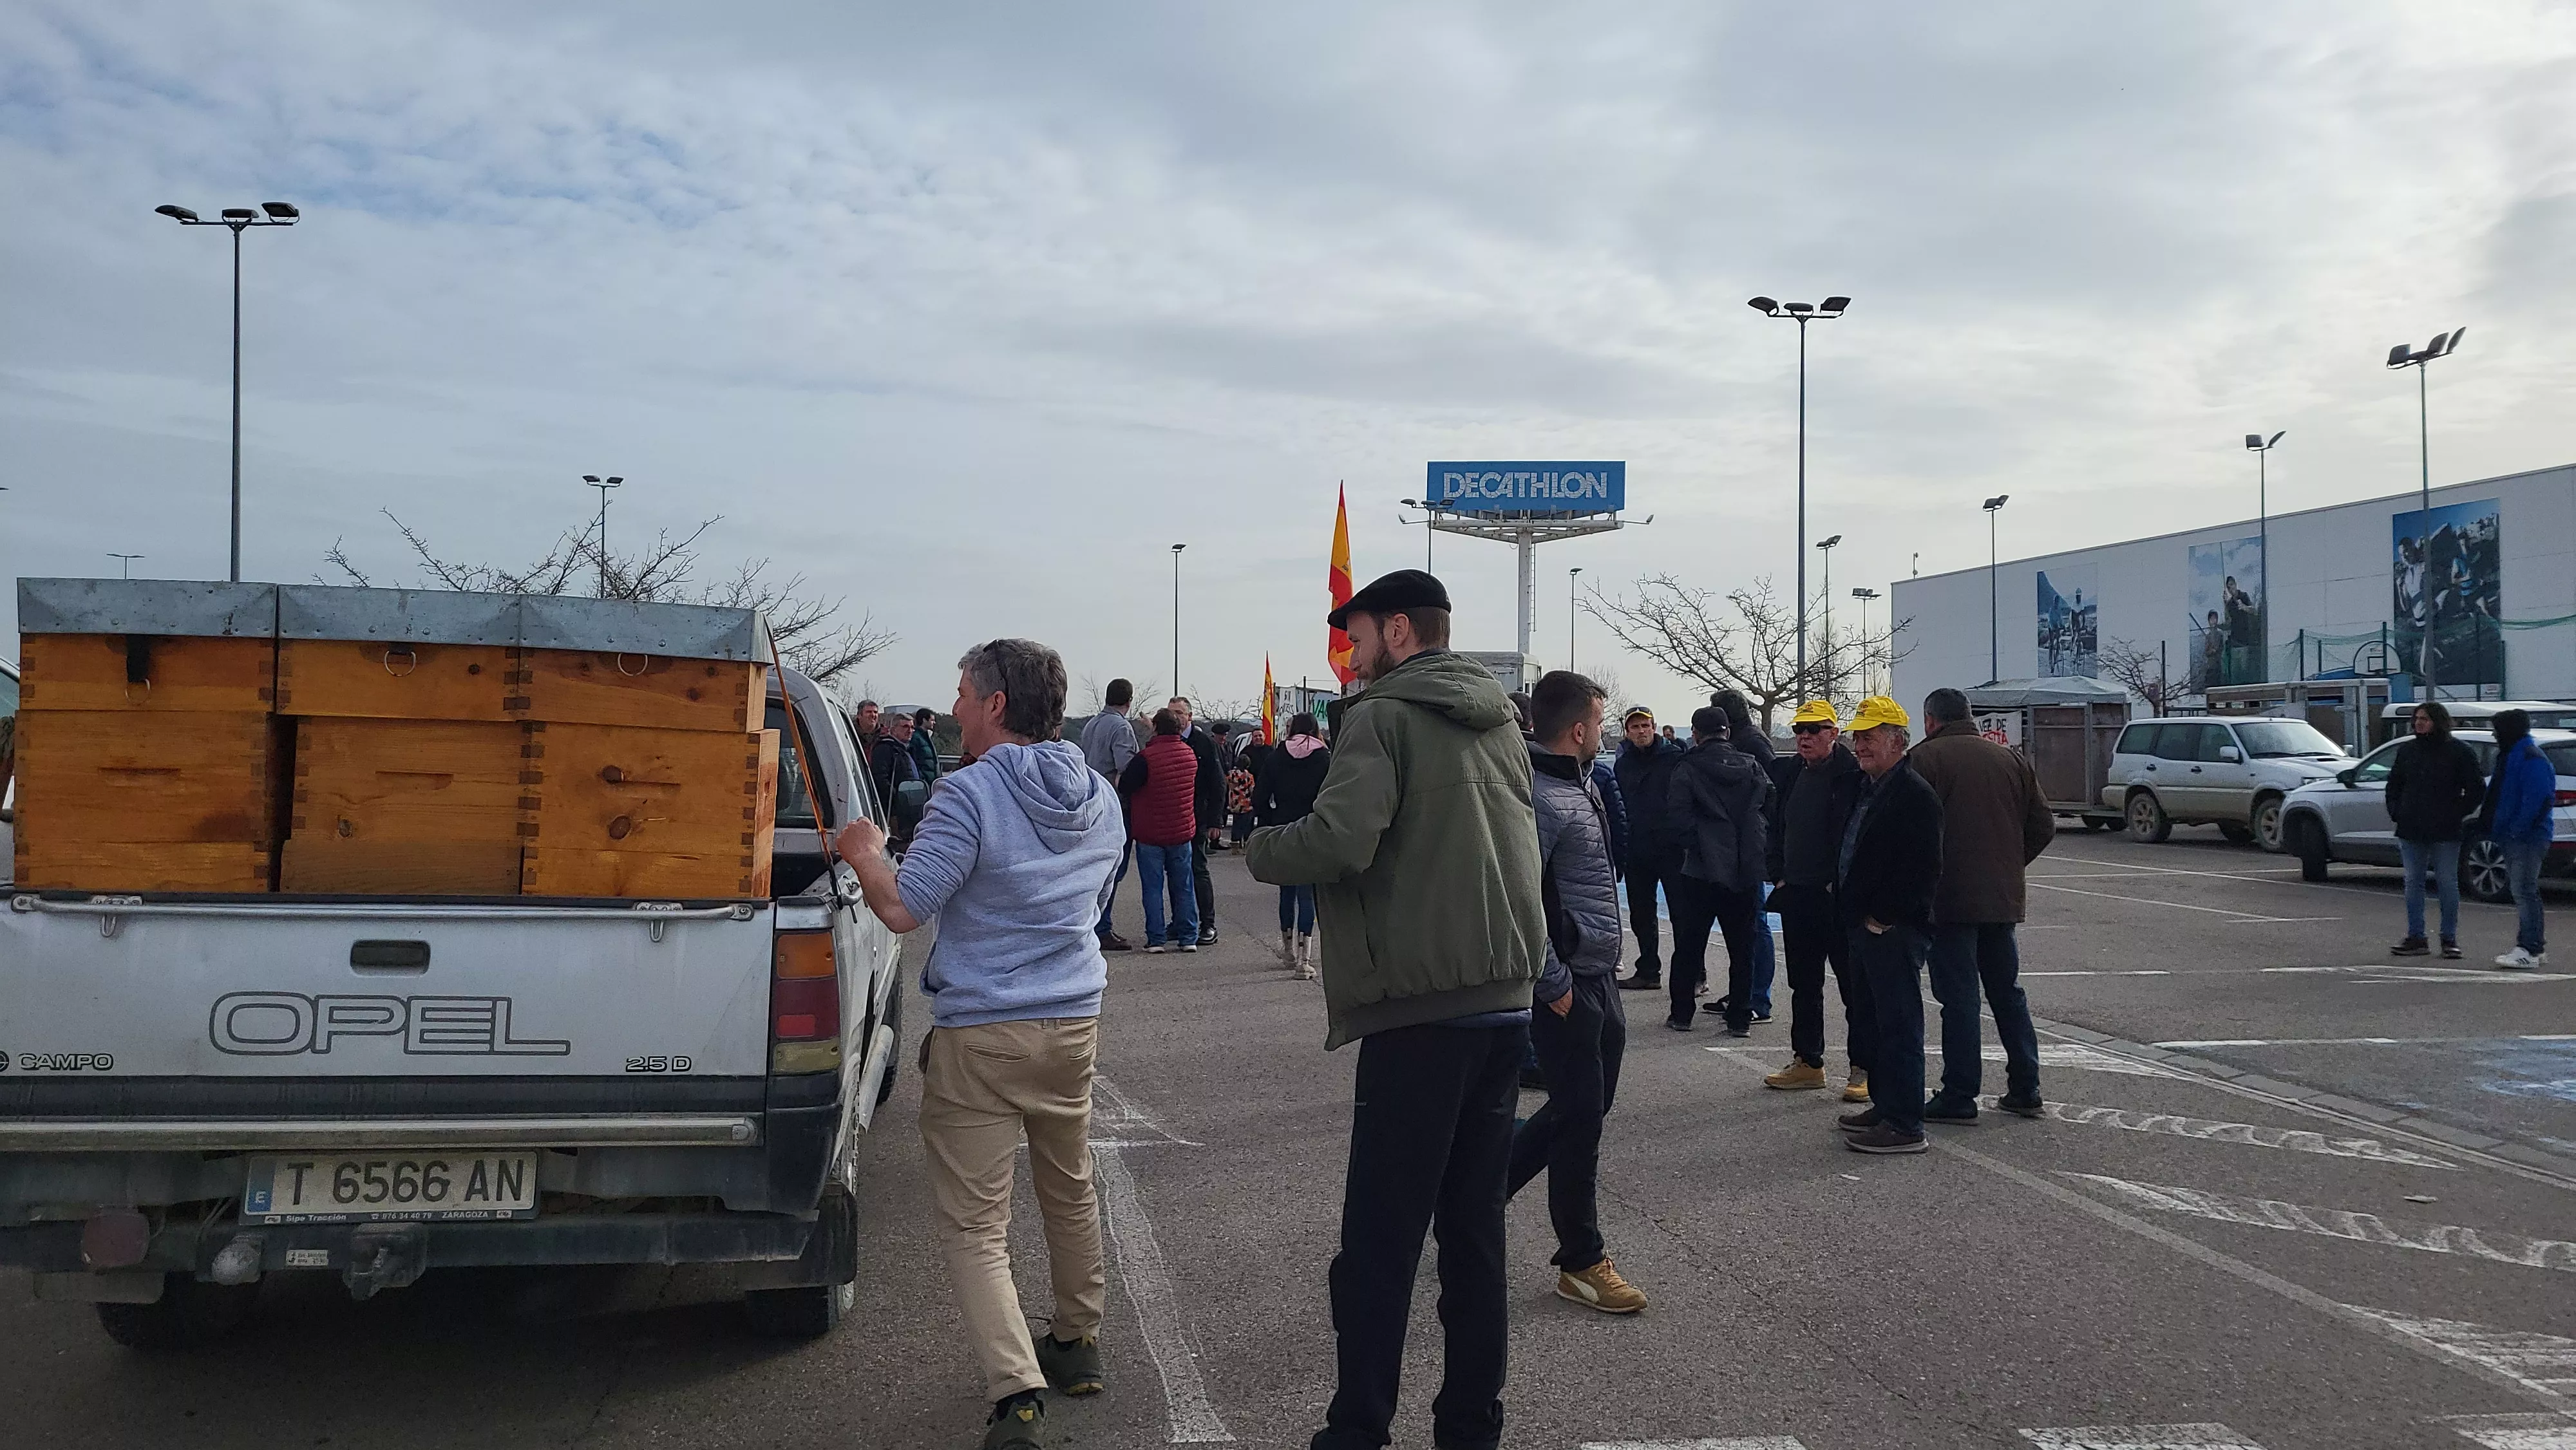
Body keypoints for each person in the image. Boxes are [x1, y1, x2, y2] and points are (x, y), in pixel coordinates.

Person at [1243, 568, 1542, 1450]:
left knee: (1379, 1245)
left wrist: (1258, 847)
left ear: (1401, 631)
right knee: (1475, 1237)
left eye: (1359, 633)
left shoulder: (1381, 714)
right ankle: (1471, 1426)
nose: (1351, 651)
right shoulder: (1499, 716)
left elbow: (1340, 839)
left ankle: (1358, 1428)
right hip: (1503, 1001)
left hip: (1420, 1007)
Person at [829, 639, 1124, 1450]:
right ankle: (1077, 1339)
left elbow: (904, 908)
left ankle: (1017, 1390)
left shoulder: (967, 793)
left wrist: (865, 854)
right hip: (1073, 1020)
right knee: (1068, 1183)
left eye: (962, 692)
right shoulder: (1101, 794)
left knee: (975, 1223)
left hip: (982, 1031)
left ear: (995, 705)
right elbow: (1098, 898)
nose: (953, 705)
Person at [1506, 671, 1644, 1315]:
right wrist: (1550, 978)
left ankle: (1470, 1196)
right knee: (1579, 1115)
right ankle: (1581, 1260)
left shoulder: (1579, 781)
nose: (1603, 728)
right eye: (1599, 717)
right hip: (1566, 981)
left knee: (1579, 1106)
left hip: (1597, 972)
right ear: (1579, 727)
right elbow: (1515, 894)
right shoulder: (1538, 792)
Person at [1908, 687, 2054, 1122]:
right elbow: (2043, 826)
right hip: (2002, 898)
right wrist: (2009, 864)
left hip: (1949, 899)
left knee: (1959, 999)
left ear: (1930, 719)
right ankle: (2025, 1086)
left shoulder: (1924, 761)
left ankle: (1959, 1093)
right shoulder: (2010, 760)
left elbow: (1910, 834)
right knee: (2007, 993)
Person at [1833, 696, 1944, 1155]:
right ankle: (1886, 1105)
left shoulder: (1914, 794)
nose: (1861, 745)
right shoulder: (1872, 786)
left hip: (1892, 930)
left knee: (1899, 1025)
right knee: (1877, 1021)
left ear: (1898, 742)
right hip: (1865, 925)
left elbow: (1922, 869)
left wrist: (1885, 917)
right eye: (1858, 737)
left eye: (1871, 737)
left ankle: (1905, 1122)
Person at [1758, 700, 1872, 1100]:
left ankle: (1864, 1068)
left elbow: (1862, 836)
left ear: (1834, 733)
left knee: (1854, 985)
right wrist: (1779, 873)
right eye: (1800, 729)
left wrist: (1840, 884)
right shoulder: (1789, 772)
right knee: (1803, 984)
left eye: (1815, 729)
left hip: (1838, 900)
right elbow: (1774, 824)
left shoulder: (1854, 776)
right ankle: (1808, 1062)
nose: (1805, 736)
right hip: (1797, 895)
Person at [1663, 705, 1770, 1035]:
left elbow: (1678, 816)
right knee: (1744, 948)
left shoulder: (1688, 767)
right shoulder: (1751, 766)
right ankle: (1740, 1017)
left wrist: (1698, 844)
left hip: (1701, 868)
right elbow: (1769, 805)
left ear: (1695, 733)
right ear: (1727, 732)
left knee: (1690, 945)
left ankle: (1682, 1013)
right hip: (1745, 867)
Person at [2385, 700, 2485, 959]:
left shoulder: (2459, 752)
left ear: (2438, 721)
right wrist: (2397, 811)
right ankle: (2416, 937)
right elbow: (2394, 785)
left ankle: (2449, 939)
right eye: (2417, 718)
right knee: (2413, 883)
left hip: (2445, 830)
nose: (2419, 723)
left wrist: (2455, 812)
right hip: (2411, 828)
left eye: (2425, 719)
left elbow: (2476, 790)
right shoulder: (2407, 751)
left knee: (2447, 883)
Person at [1710, 690, 1778, 1022]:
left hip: (1748, 844)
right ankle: (1746, 991)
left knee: (1756, 925)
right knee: (1748, 925)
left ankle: (1757, 998)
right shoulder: (1748, 739)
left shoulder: (1752, 745)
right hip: (1742, 843)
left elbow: (1766, 793)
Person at [1612, 706, 1687, 992]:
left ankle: (1694, 974)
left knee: (1683, 915)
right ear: (1627, 732)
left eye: (1645, 726)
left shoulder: (1675, 759)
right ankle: (1648, 970)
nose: (1641, 732)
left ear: (1654, 727)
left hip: (1672, 850)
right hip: (1638, 850)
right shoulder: (1624, 763)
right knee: (1641, 914)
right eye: (1635, 727)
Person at [1118, 709, 1203, 954]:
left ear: (1155, 727)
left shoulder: (1146, 757)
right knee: (1184, 886)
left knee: (1153, 888)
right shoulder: (1189, 754)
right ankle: (1189, 936)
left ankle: (1156, 939)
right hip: (1181, 830)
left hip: (1150, 833)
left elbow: (1126, 786)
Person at [1255, 713, 1332, 977]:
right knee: (1307, 892)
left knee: (1286, 890)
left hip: (1282, 828)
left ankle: (1287, 948)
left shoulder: (1276, 757)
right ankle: (1305, 957)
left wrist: (1267, 822)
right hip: (1313, 827)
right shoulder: (1325, 758)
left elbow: (1260, 795)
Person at [2484, 708, 2555, 969]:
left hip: (2526, 837)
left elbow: (2539, 799)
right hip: (2517, 834)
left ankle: (2530, 948)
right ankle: (2530, 946)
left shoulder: (2527, 757)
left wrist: (2517, 829)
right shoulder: (2514, 755)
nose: (2493, 734)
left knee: (2524, 891)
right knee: (2524, 890)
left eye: (2497, 728)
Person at [1077, 680, 1142, 952]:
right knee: (1115, 867)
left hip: (1089, 801)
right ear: (1129, 700)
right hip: (1114, 803)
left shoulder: (1091, 724)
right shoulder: (1121, 727)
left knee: (1093, 868)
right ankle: (1102, 927)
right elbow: (1125, 766)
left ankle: (1089, 924)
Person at [1169, 697, 1225, 943]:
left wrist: (1215, 820)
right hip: (1172, 818)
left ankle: (1208, 924)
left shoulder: (1203, 743)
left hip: (1198, 816)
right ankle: (1181, 921)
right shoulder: (1166, 741)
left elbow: (1218, 783)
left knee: (1198, 869)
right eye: (1171, 713)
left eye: (1180, 713)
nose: (1176, 718)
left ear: (1190, 717)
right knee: (1176, 872)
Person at [873, 711, 925, 841]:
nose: (910, 731)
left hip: (911, 810)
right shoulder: (885, 749)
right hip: (895, 812)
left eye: (912, 727)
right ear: (894, 729)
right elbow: (881, 779)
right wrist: (898, 799)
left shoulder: (905, 749)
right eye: (905, 727)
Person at [911, 706, 944, 784]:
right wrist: (923, 779)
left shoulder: (926, 737)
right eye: (932, 720)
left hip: (931, 781)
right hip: (925, 783)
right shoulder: (916, 738)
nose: (934, 723)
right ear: (924, 720)